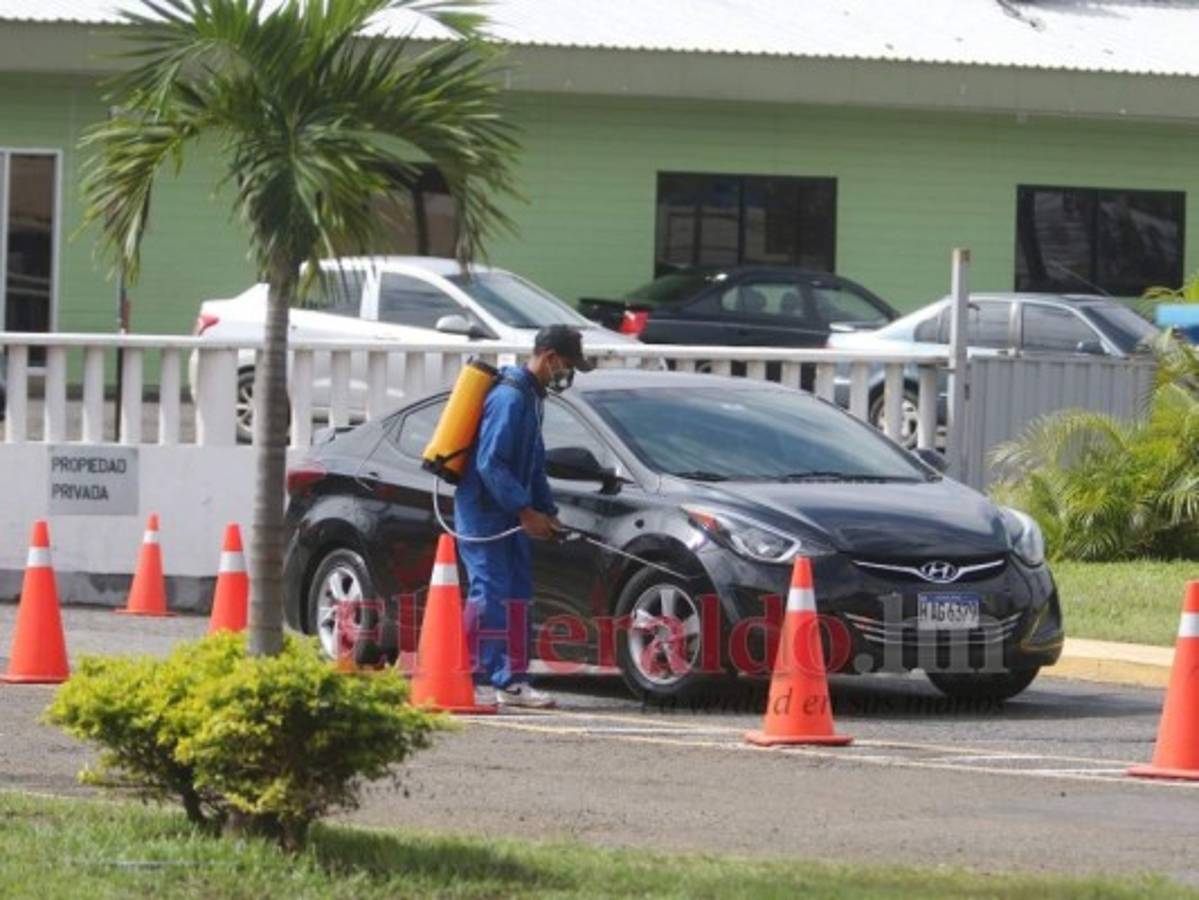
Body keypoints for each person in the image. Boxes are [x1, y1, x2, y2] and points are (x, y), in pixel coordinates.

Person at [455, 324, 593, 708]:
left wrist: (547, 512)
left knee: (517, 596)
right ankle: (469, 678)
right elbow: (490, 463)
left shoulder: (532, 399)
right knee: (489, 595)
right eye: (567, 366)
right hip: (484, 512)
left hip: (510, 514)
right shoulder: (510, 400)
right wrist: (524, 510)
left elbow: (532, 465)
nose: (568, 375)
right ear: (549, 358)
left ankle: (511, 680)